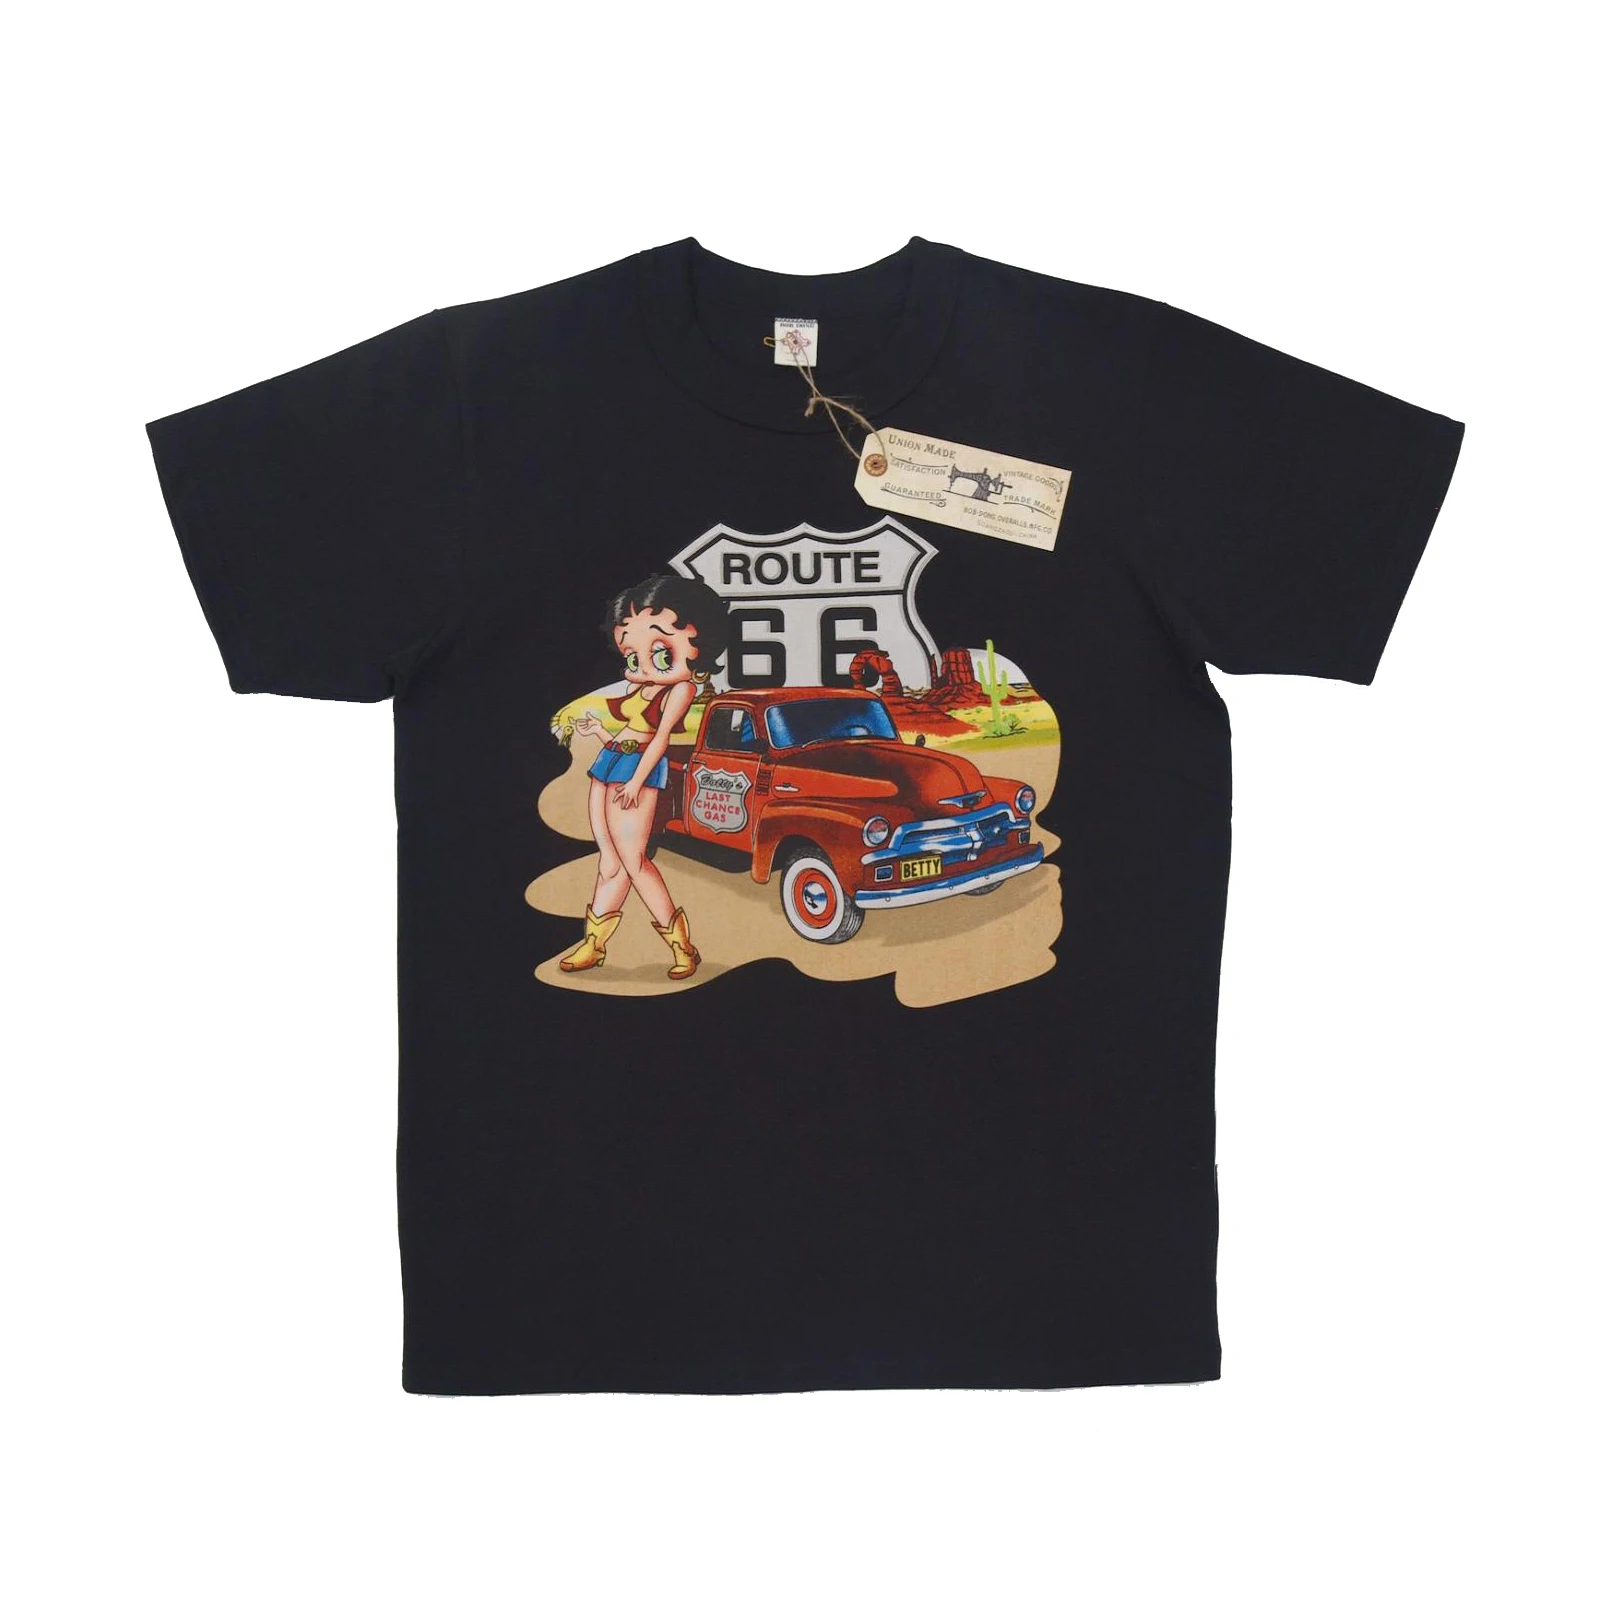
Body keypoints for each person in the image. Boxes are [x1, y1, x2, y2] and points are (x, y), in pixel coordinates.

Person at [559, 572, 730, 980]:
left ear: (699, 647)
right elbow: (628, 733)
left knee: (634, 861)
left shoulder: (680, 690)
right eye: (633, 657)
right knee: (610, 863)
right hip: (608, 764)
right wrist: (598, 733)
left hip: (637, 771)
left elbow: (661, 739)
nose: (643, 666)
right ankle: (594, 944)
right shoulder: (644, 689)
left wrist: (637, 780)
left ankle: (682, 947)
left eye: (662, 653)